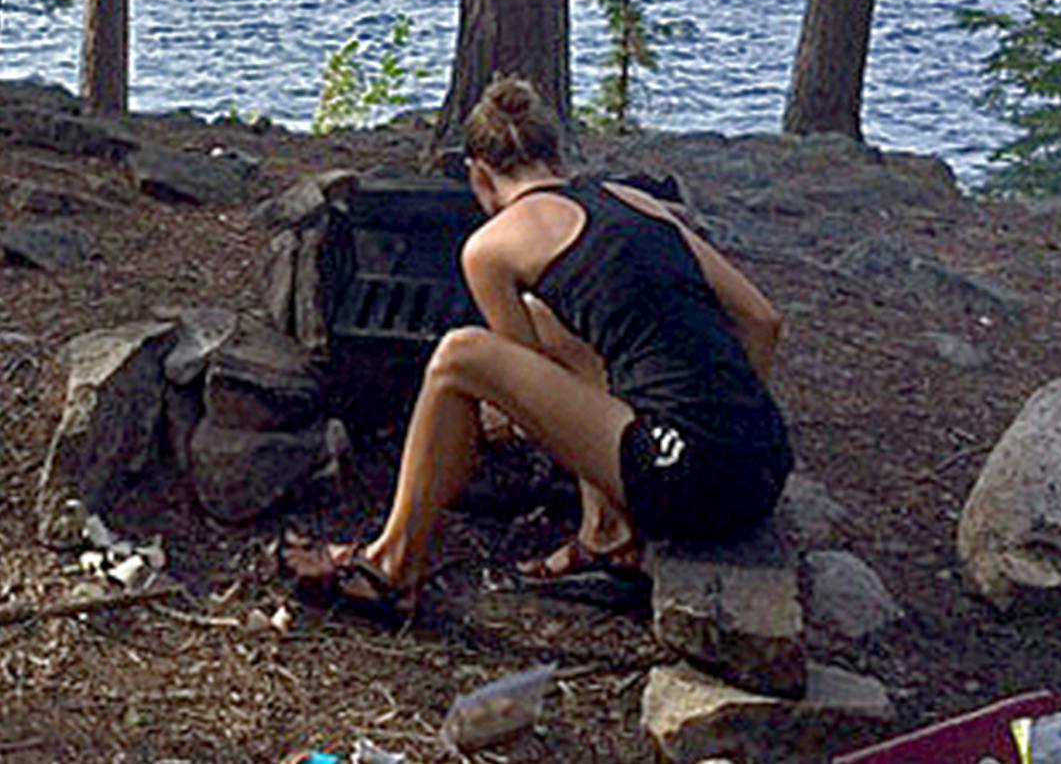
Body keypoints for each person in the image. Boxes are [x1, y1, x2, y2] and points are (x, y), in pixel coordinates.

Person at [282, 75, 791, 620]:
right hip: (762, 467)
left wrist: (491, 410)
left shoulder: (490, 248)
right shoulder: (636, 201)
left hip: (687, 482)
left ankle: (391, 566)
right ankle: (608, 534)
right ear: (556, 158)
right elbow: (762, 320)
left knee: (460, 357)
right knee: (555, 328)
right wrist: (728, 426)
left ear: (478, 174)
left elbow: (518, 413)